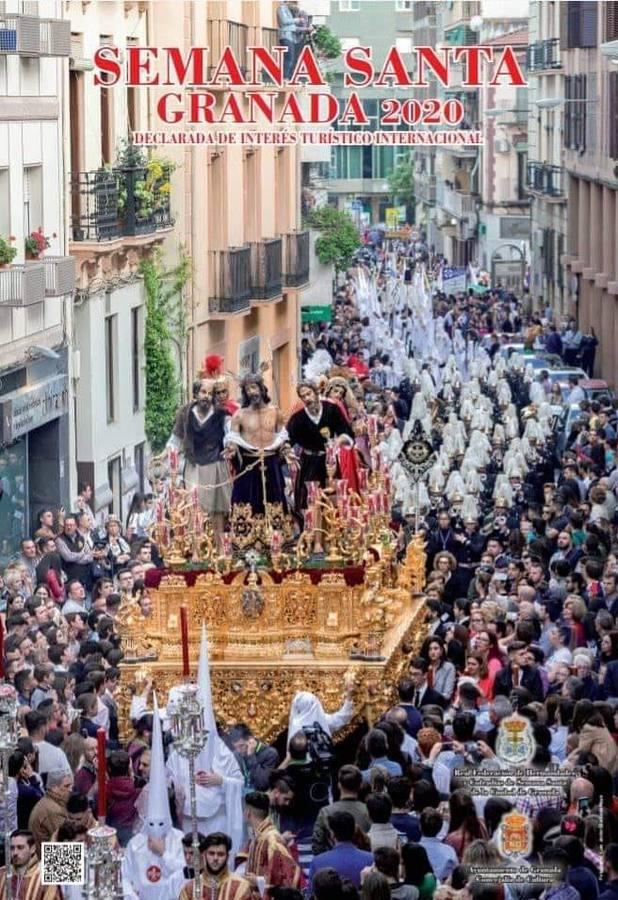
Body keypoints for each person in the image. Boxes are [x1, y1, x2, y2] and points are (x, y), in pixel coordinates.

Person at [166, 625, 244, 855]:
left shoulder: (218, 749)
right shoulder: (179, 750)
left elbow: (238, 782)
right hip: (190, 819)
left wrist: (221, 781)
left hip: (214, 820)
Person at [123, 694, 185, 897]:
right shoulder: (135, 844)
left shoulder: (179, 840)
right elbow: (124, 879)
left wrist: (163, 854)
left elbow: (189, 875)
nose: (155, 829)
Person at [224, 373, 293, 515]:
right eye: (247, 390)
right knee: (247, 505)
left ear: (262, 388)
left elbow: (282, 437)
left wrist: (287, 451)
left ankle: (274, 535)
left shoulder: (275, 412)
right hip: (249, 465)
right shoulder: (239, 415)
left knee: (274, 504)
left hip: (271, 463)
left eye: (254, 387)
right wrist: (231, 449)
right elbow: (234, 438)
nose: (251, 392)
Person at [168, 378, 231, 531]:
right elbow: (175, 439)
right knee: (192, 505)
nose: (207, 396)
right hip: (193, 465)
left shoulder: (221, 414)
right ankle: (195, 547)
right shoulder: (185, 413)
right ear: (196, 393)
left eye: (210, 393)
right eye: (203, 392)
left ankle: (219, 545)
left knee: (218, 509)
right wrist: (166, 455)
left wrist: (230, 446)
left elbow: (230, 434)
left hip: (216, 464)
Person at [286, 381, 354, 518]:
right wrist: (287, 451)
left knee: (333, 499)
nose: (307, 398)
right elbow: (287, 439)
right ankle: (311, 533)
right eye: (303, 396)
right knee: (308, 501)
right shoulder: (298, 418)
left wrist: (337, 441)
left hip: (329, 462)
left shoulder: (331, 409)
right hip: (308, 463)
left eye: (309, 394)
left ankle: (332, 532)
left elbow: (345, 431)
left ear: (316, 392)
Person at [242, 792, 303, 892]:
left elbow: (287, 877)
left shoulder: (272, 839)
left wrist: (258, 881)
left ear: (247, 813)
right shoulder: (258, 837)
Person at [312, 764, 371, 856]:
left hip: (333, 864)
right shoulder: (369, 810)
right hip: (365, 864)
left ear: (339, 785)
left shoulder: (325, 812)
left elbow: (317, 846)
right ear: (360, 785)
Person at [179, 832, 253, 900]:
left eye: (220, 854)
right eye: (211, 853)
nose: (215, 858)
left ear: (227, 857)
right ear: (204, 855)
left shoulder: (240, 887)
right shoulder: (189, 888)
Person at [0, 829, 59, 900]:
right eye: (12, 848)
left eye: (20, 847)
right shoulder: (2, 873)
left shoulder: (45, 876)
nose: (15, 853)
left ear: (32, 849)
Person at [228, 724, 280, 793]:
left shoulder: (270, 754)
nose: (239, 750)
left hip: (260, 798)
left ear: (251, 739)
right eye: (235, 747)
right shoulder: (235, 755)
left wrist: (251, 757)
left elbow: (262, 784)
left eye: (241, 746)